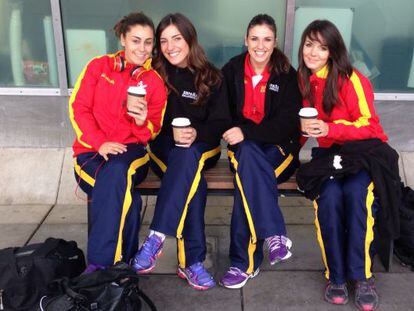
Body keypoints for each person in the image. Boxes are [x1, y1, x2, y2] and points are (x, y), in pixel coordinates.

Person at [131, 13, 230, 290]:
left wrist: (197, 133)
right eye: (163, 41)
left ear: (190, 39)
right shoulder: (153, 74)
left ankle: (157, 236)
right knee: (192, 184)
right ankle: (192, 263)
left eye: (176, 38)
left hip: (203, 148)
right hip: (164, 149)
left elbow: (221, 122)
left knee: (189, 158)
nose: (170, 46)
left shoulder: (211, 75)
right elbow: (146, 117)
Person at [297, 20, 388, 311]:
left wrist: (329, 129)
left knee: (355, 196)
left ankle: (362, 276)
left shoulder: (352, 79)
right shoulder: (304, 80)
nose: (313, 52)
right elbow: (302, 127)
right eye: (309, 44)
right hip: (330, 158)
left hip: (362, 153)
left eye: (322, 47)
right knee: (330, 198)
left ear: (333, 51)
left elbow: (370, 126)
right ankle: (335, 276)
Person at [69, 12, 167, 273]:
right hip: (90, 152)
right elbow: (78, 108)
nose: (142, 49)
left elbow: (153, 131)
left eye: (148, 43)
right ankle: (126, 261)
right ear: (123, 38)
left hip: (131, 152)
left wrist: (141, 121)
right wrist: (100, 143)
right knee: (126, 197)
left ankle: (100, 265)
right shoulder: (98, 67)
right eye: (136, 40)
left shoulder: (154, 83)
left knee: (116, 174)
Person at [219, 14, 302, 289]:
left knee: (249, 180)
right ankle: (274, 235)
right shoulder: (231, 70)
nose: (260, 45)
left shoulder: (287, 75)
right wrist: (241, 134)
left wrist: (248, 132)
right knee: (250, 168)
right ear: (246, 40)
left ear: (275, 42)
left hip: (279, 149)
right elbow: (223, 114)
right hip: (243, 149)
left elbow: (288, 124)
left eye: (267, 39)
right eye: (254, 38)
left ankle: (242, 264)